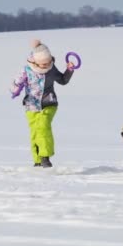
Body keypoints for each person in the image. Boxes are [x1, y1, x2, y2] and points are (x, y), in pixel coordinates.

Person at [10, 39, 75, 168]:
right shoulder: (27, 70)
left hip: (49, 103)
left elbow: (62, 80)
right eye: (44, 64)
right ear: (36, 62)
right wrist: (16, 89)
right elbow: (15, 84)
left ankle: (45, 157)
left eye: (48, 62)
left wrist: (69, 70)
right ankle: (38, 160)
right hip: (31, 105)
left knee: (43, 125)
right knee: (35, 131)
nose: (47, 66)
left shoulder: (51, 68)